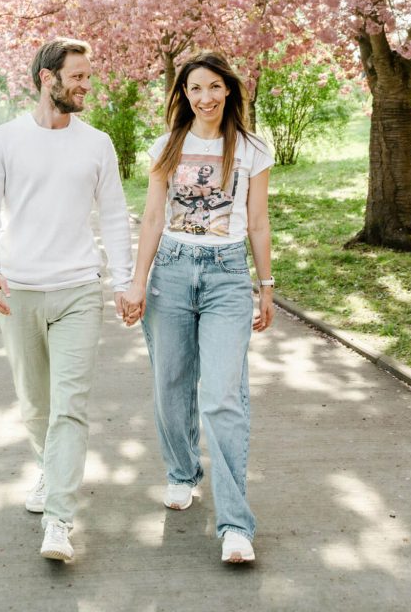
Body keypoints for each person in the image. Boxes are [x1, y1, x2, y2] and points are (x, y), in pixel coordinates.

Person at [0, 38, 133, 563]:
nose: (87, 85)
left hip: (78, 290)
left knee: (70, 406)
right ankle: (48, 468)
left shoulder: (97, 144)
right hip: (19, 292)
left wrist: (123, 281)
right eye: (78, 76)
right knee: (36, 405)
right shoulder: (3, 140)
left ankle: (60, 520)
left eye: (89, 76)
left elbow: (113, 216)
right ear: (47, 78)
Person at [121, 51, 274, 564]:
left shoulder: (252, 148)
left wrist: (266, 285)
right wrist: (137, 282)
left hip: (227, 276)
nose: (204, 97)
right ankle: (182, 472)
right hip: (170, 270)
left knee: (222, 395)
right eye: (194, 90)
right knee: (170, 383)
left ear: (228, 89)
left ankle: (235, 524)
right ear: (183, 96)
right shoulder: (168, 146)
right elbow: (150, 219)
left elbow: (256, 223)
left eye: (213, 87)